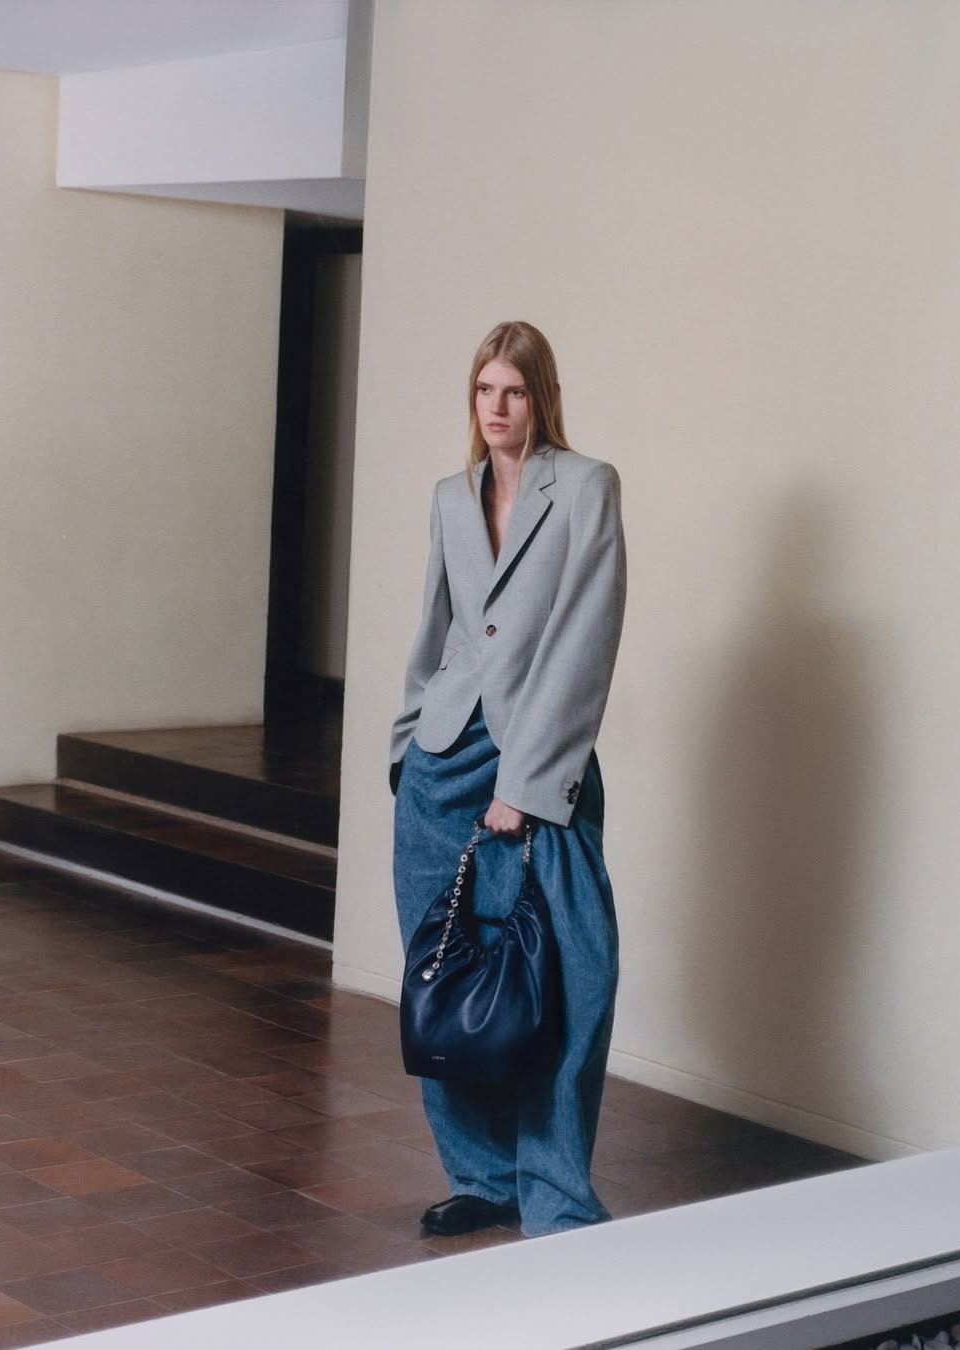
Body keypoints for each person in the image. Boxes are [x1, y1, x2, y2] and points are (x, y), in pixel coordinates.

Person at [390, 320, 626, 1239]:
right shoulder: (451, 497)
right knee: (446, 978)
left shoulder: (586, 487)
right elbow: (437, 627)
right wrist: (407, 745)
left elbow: (584, 639)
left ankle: (556, 1196)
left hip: (535, 757)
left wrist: (523, 785)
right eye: (485, 390)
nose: (497, 407)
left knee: (570, 978)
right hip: (440, 764)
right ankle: (483, 1177)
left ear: (542, 397)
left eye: (514, 391)